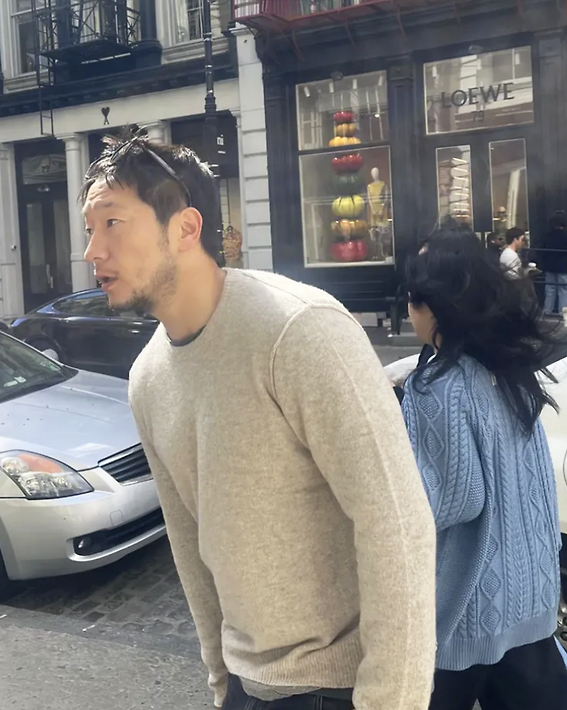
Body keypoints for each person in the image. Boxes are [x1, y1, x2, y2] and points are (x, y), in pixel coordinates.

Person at [82, 131, 437, 710]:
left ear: (185, 228)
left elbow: (397, 522)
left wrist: (389, 701)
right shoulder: (147, 378)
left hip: (338, 690)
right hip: (246, 688)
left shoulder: (299, 329)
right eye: (89, 230)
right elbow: (190, 545)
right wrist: (221, 682)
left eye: (112, 224)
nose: (93, 251)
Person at [402, 229, 565, 710]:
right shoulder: (511, 368)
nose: (409, 311)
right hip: (530, 595)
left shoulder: (436, 387)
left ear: (434, 308)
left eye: (413, 300)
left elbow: (448, 501)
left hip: (469, 611)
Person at [540, 211, 567, 315]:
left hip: (550, 267)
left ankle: (547, 311)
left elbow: (542, 251)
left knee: (550, 289)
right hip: (563, 267)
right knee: (563, 290)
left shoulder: (547, 236)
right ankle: (562, 313)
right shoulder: (565, 236)